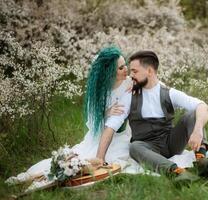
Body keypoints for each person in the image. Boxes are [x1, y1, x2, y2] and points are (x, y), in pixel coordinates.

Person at [5, 46, 133, 184]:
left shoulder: (129, 84)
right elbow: (91, 122)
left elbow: (116, 121)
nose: (126, 69)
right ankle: (35, 177)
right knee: (74, 161)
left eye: (125, 65)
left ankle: (51, 176)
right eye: (120, 68)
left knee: (93, 163)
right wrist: (106, 112)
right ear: (109, 73)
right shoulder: (99, 90)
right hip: (97, 137)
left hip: (118, 137)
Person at [96, 50, 208, 183]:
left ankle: (201, 161)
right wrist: (100, 157)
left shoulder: (169, 93)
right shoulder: (129, 96)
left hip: (171, 143)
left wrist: (197, 131)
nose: (130, 75)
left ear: (149, 71)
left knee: (192, 114)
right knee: (134, 147)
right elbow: (111, 126)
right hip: (147, 147)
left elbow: (202, 106)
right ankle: (178, 172)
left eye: (135, 71)